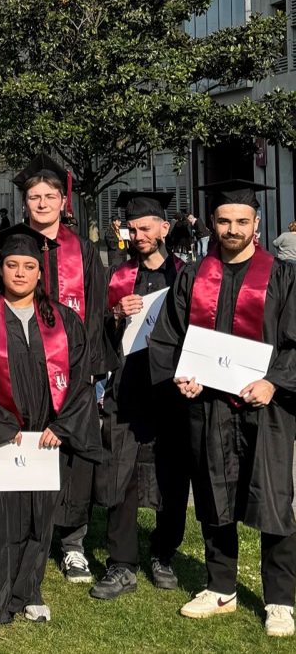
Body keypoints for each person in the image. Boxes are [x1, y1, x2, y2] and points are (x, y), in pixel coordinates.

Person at [149, 179, 296, 638]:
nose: (232, 229)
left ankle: (280, 600)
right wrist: (182, 377)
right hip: (209, 406)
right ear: (212, 223)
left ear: (256, 225)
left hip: (267, 408)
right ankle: (221, 586)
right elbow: (168, 338)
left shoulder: (283, 276)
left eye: (242, 221)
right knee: (214, 494)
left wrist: (275, 382)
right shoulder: (193, 275)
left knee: (273, 498)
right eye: (225, 220)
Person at [0, 224, 102, 624]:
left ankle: (28, 591)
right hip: (1, 435)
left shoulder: (63, 321)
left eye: (28, 266)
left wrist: (66, 425)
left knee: (40, 515)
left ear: (41, 272)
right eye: (11, 265)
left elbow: (80, 376)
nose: (20, 273)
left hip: (45, 437)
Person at [90, 192, 189, 600]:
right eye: (134, 228)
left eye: (147, 227)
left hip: (172, 389)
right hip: (126, 387)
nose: (140, 234)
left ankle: (163, 552)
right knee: (120, 473)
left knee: (172, 472)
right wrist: (115, 314)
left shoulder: (187, 274)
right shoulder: (116, 276)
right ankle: (121, 562)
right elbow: (98, 334)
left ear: (164, 228)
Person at [12, 156, 106, 584]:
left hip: (72, 365)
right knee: (28, 445)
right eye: (35, 196)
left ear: (63, 199)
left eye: (51, 195)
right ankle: (26, 536)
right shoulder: (13, 247)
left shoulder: (82, 249)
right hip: (21, 365)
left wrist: (86, 370)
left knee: (71, 453)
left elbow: (96, 313)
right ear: (25, 201)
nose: (43, 202)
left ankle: (72, 545)